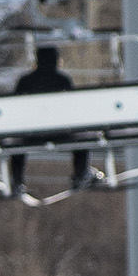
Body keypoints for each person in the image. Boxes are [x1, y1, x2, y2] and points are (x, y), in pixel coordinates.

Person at [7, 46, 94, 196]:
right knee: (82, 140)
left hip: (30, 134)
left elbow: (16, 107)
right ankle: (80, 173)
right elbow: (71, 107)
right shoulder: (63, 80)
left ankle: (16, 180)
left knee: (17, 145)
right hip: (60, 132)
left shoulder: (25, 81)